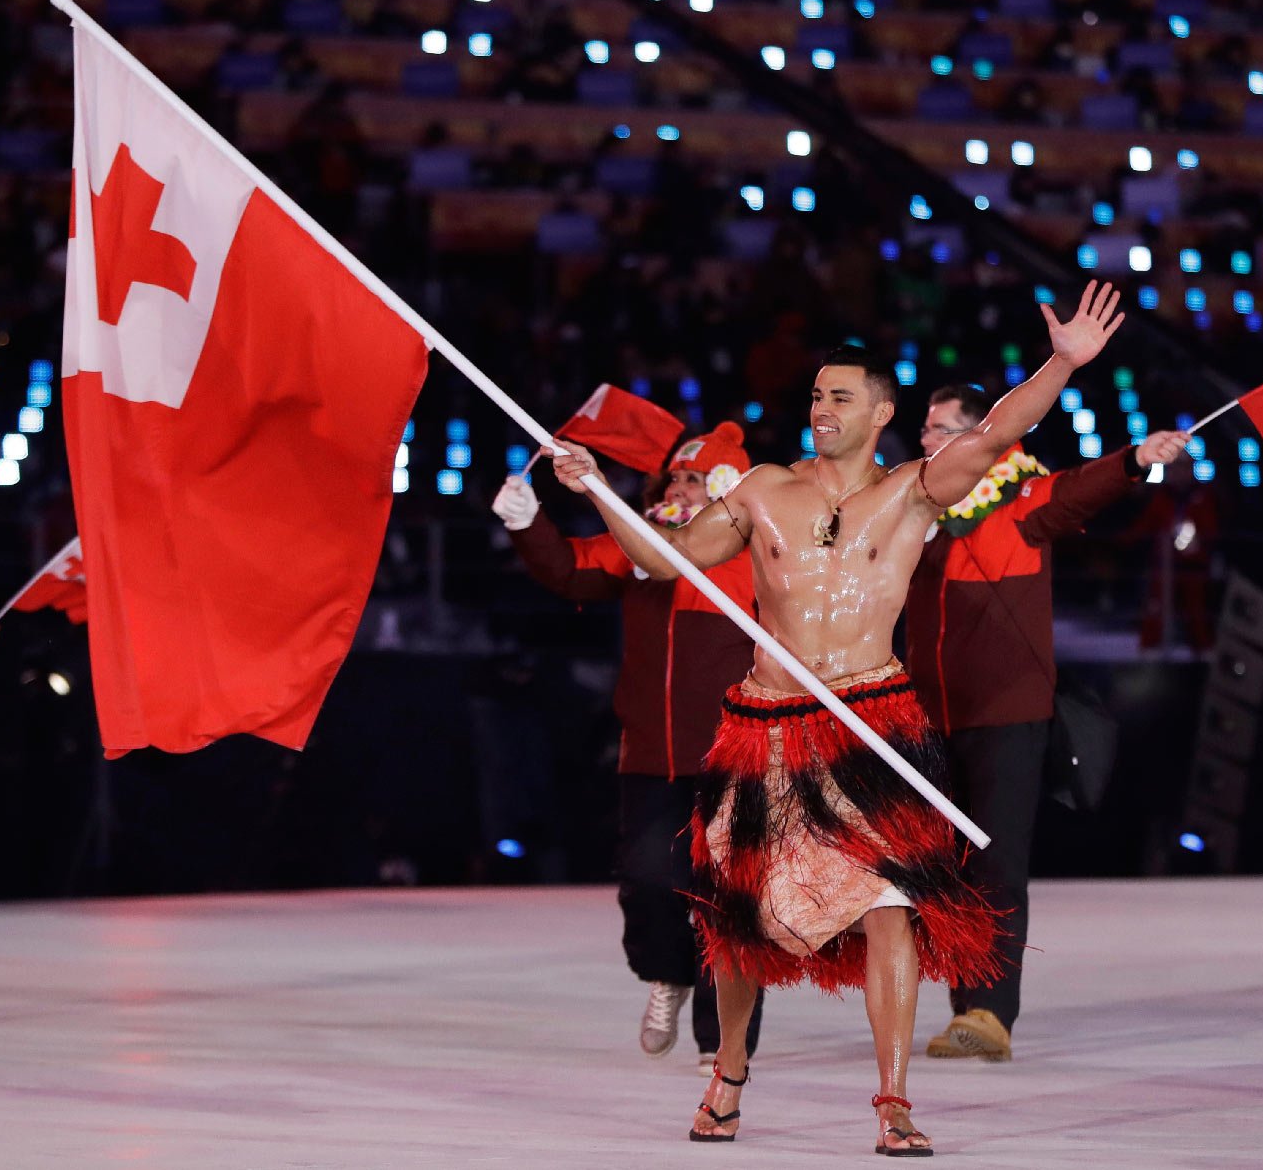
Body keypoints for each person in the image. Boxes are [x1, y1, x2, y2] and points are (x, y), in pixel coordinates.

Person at [548, 281, 1127, 1155]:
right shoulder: (763, 491)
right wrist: (598, 491)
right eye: (816, 395)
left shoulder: (911, 493)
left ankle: (893, 1099)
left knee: (890, 903)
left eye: (840, 397)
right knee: (739, 913)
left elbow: (998, 431)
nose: (821, 408)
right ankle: (728, 1076)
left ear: (882, 410)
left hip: (869, 723)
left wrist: (1062, 364)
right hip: (765, 720)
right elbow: (665, 561)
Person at [906, 384, 1190, 1062]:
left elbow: (1080, 490)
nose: (924, 439)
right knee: (941, 870)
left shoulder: (1021, 499)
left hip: (1006, 713)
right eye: (924, 428)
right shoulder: (914, 507)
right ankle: (964, 1004)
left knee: (996, 864)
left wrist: (1133, 459)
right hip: (928, 715)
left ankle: (990, 1012)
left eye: (940, 428)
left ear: (985, 438)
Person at [492, 421, 763, 1068]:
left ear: (727, 488)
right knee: (646, 882)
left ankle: (721, 1041)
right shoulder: (640, 542)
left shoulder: (750, 554)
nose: (676, 485)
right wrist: (529, 523)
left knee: (728, 902)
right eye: (674, 475)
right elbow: (573, 570)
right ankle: (666, 975)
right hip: (649, 753)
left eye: (692, 478)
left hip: (736, 756)